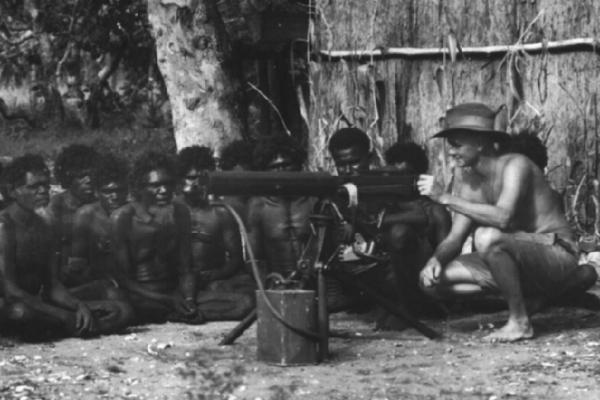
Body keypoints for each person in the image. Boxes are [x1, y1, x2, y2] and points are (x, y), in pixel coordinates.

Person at [417, 102, 597, 342]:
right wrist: (434, 260)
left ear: (480, 143)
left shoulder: (516, 165)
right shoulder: (467, 178)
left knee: (486, 236)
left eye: (456, 144)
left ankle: (520, 321)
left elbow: (503, 217)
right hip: (513, 257)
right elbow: (455, 238)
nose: (450, 152)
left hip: (556, 253)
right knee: (429, 283)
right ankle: (542, 296)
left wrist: (445, 198)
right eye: (449, 145)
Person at [0, 154, 131, 338]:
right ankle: (73, 325)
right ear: (12, 191)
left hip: (39, 303)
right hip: (12, 304)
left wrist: (79, 305)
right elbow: (11, 291)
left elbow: (53, 286)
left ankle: (71, 326)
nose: (43, 191)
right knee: (20, 313)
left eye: (45, 185)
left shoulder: (44, 225)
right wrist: (63, 314)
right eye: (34, 187)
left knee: (120, 306)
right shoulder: (4, 226)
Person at [111, 151, 202, 324]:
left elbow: (186, 267)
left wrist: (189, 300)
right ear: (139, 187)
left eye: (168, 184)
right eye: (156, 185)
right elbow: (124, 279)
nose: (164, 190)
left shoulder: (181, 212)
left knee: (243, 303)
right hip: (142, 295)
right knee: (126, 308)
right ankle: (172, 311)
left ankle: (179, 311)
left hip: (175, 291)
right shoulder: (123, 217)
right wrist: (167, 300)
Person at [175, 146, 253, 320]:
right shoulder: (170, 211)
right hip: (177, 283)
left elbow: (235, 260)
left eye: (202, 178)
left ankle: (188, 312)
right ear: (180, 180)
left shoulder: (221, 213)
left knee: (247, 300)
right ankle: (188, 308)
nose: (196, 183)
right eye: (190, 178)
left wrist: (214, 275)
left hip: (210, 282)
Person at [246, 135, 317, 283]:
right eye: (274, 167)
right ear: (265, 171)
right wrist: (267, 288)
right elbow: (254, 259)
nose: (281, 171)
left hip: (315, 281)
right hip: (276, 283)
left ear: (298, 166)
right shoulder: (258, 206)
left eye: (286, 165)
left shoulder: (313, 200)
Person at [65, 153, 131, 300]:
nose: (114, 196)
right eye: (108, 192)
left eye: (119, 191)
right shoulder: (86, 215)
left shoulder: (135, 213)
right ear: (96, 192)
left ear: (127, 190)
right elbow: (77, 264)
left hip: (132, 281)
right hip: (100, 281)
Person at [45, 144, 99, 285]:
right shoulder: (56, 208)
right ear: (68, 177)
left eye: (92, 175)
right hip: (63, 279)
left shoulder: (101, 205)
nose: (89, 181)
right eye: (82, 176)